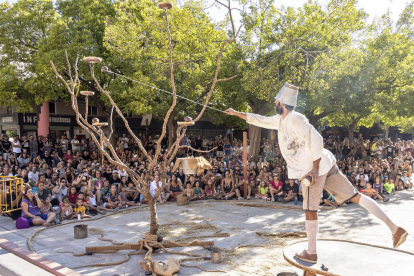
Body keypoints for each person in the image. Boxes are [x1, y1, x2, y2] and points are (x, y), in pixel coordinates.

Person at [224, 82, 407, 263]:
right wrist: (235, 113)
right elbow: (258, 119)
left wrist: (313, 169)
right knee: (356, 196)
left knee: (310, 211)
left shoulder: (295, 118)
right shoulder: (280, 120)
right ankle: (395, 229)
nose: (274, 103)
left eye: (276, 101)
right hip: (325, 164)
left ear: (282, 103)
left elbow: (317, 138)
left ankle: (311, 253)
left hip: (313, 170)